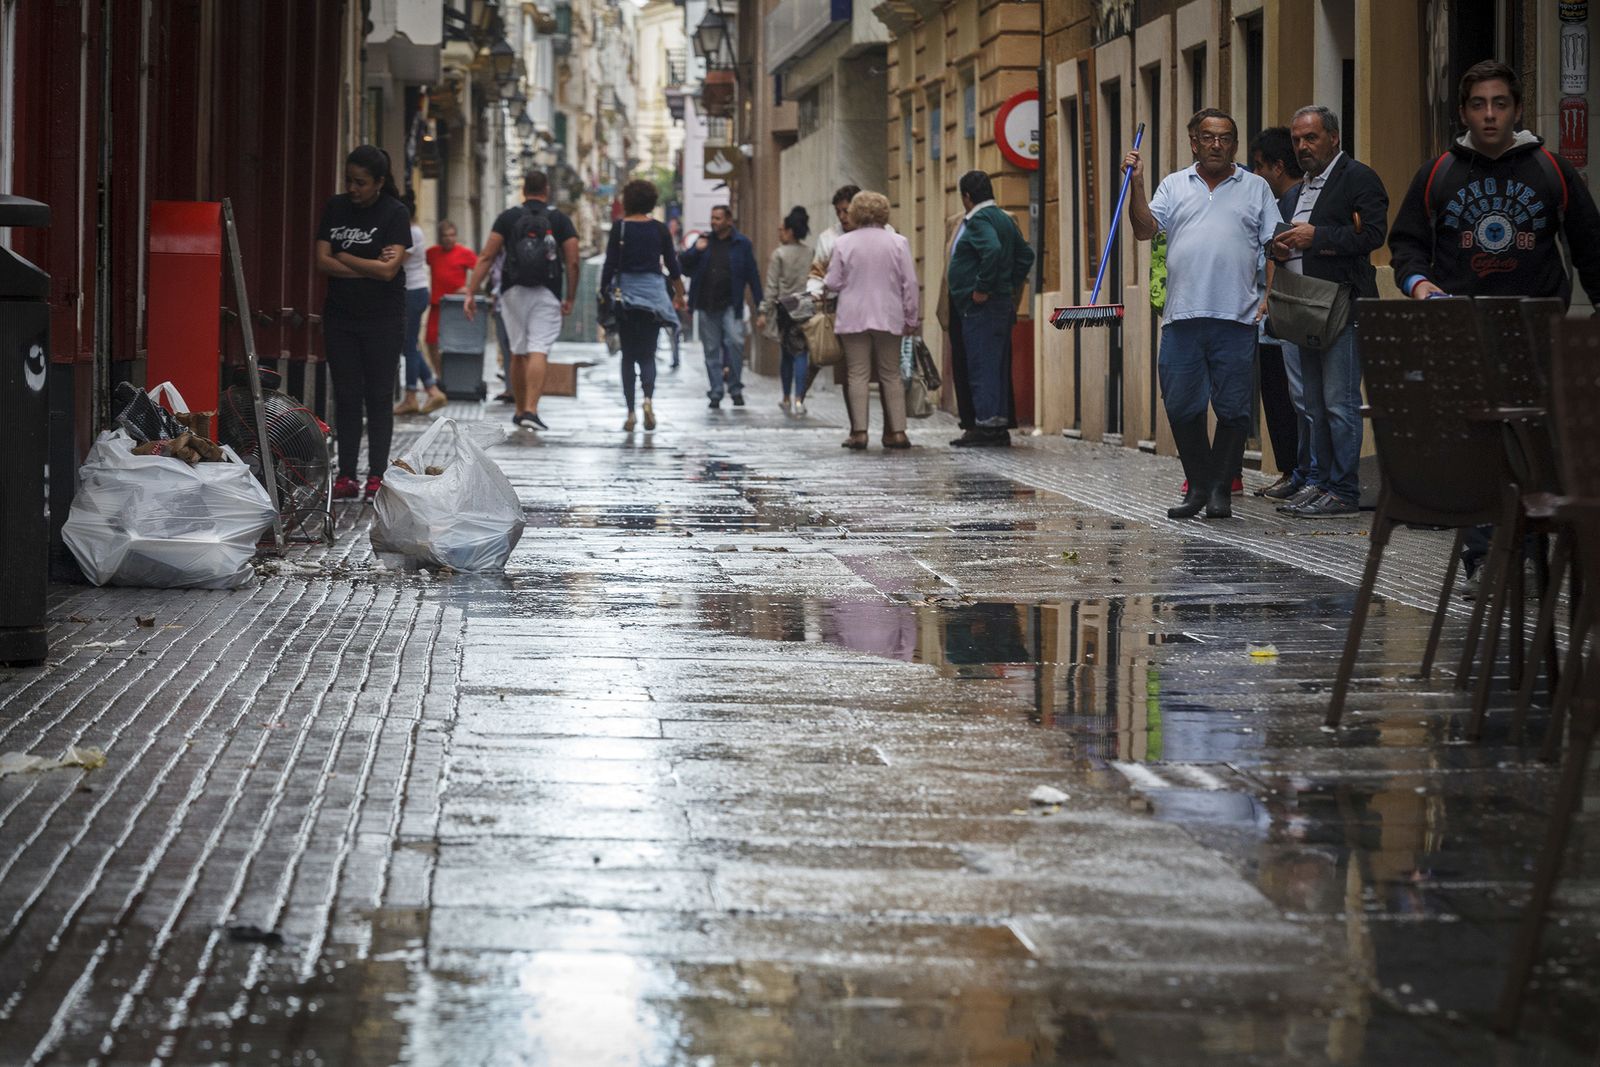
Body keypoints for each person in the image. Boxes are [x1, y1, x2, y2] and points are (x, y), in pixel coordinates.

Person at [1389, 59, 1600, 590]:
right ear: (1463, 112)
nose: (1490, 115)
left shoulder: (1551, 170)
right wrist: (1419, 285)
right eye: (1479, 105)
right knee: (1478, 449)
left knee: (1530, 446)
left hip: (1537, 332)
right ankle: (1484, 557)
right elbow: (1407, 245)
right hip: (1463, 332)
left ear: (1517, 109)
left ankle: (1525, 553)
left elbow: (1591, 250)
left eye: (1500, 104)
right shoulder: (1438, 173)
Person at [1126, 108, 1280, 520]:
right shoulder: (1174, 185)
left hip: (1237, 314)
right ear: (1194, 142)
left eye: (1225, 138)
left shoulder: (1256, 188)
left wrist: (1270, 296)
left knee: (1234, 409)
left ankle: (1219, 492)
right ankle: (1198, 486)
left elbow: (1274, 247)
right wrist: (1136, 184)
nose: (1217, 144)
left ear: (1234, 144)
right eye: (1208, 137)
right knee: (1180, 404)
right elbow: (1144, 229)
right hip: (1182, 315)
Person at [1267, 106, 1389, 518]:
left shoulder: (1358, 178)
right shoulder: (1295, 191)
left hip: (1342, 305)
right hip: (1303, 308)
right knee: (1313, 405)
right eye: (1297, 140)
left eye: (1311, 138)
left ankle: (1344, 489)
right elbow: (1278, 238)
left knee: (1339, 403)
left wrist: (1317, 236)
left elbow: (1372, 234)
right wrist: (1277, 247)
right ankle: (1319, 482)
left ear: (1333, 138)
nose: (1303, 146)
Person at [315, 145, 412, 500]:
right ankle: (346, 475)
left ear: (379, 182)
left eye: (361, 182)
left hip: (384, 319)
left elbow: (388, 272)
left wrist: (343, 255)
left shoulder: (395, 213)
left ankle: (376, 476)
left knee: (379, 396)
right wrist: (366, 265)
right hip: (340, 317)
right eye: (349, 181)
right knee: (346, 395)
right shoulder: (335, 207)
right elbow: (321, 262)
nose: (353, 189)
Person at [461, 170, 581, 430]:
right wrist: (570, 296)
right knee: (538, 348)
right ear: (546, 190)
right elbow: (572, 260)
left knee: (517, 350)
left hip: (512, 291)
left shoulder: (508, 217)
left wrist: (471, 291)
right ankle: (531, 409)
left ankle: (518, 409)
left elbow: (486, 256)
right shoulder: (560, 219)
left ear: (524, 190)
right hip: (547, 291)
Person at [823, 190, 920, 450]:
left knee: (857, 374)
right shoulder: (898, 242)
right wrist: (911, 316)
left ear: (855, 212)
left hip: (853, 316)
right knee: (891, 373)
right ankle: (898, 432)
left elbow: (832, 282)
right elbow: (909, 284)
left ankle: (859, 433)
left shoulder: (843, 243)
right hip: (889, 315)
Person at [946, 171, 1035, 447]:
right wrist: (1010, 284)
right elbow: (1026, 255)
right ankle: (996, 425)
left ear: (967, 197)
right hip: (1000, 304)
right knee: (995, 366)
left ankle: (984, 426)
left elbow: (992, 250)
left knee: (981, 365)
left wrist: (983, 287)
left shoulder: (979, 220)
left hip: (981, 307)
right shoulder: (1003, 218)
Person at [600, 179, 686, 432]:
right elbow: (672, 265)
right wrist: (680, 294)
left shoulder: (620, 228)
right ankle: (648, 400)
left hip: (625, 298)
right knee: (648, 355)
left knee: (628, 356)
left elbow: (610, 264)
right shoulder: (659, 229)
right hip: (653, 298)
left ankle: (630, 413)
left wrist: (604, 293)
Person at [1248, 126, 1306, 499]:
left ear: (1278, 167)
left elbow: (1275, 256)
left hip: (1279, 316)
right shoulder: (1293, 200)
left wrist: (1268, 300)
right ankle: (1294, 470)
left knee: (1283, 397)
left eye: (1259, 167)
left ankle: (1293, 471)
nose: (1255, 175)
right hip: (1279, 314)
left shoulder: (1286, 204)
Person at [680, 205, 764, 409]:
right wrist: (694, 250)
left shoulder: (742, 244)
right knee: (711, 350)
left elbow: (752, 275)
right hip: (706, 305)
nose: (714, 222)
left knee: (735, 342)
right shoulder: (704, 242)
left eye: (718, 218)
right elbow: (684, 267)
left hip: (731, 304)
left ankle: (735, 387)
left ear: (728, 221)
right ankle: (716, 390)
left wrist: (760, 306)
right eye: (712, 218)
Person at [394, 195, 448, 416]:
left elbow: (397, 259)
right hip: (412, 292)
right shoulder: (411, 230)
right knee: (410, 345)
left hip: (413, 292)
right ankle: (432, 390)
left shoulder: (412, 232)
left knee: (409, 346)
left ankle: (411, 396)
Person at [757, 206, 813, 414]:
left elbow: (772, 286)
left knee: (787, 354)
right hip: (805, 303)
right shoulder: (810, 252)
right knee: (802, 353)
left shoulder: (779, 254)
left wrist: (764, 311)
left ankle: (786, 397)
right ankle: (800, 399)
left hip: (785, 306)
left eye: (782, 230)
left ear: (790, 231)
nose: (779, 233)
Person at [423, 219, 477, 377]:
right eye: (445, 235)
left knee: (456, 342)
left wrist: (469, 290)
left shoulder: (464, 253)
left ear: (456, 236)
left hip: (456, 306)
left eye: (452, 235)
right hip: (436, 305)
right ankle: (440, 376)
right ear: (440, 237)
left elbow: (481, 269)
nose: (449, 238)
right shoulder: (432, 253)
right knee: (431, 342)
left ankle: (456, 376)